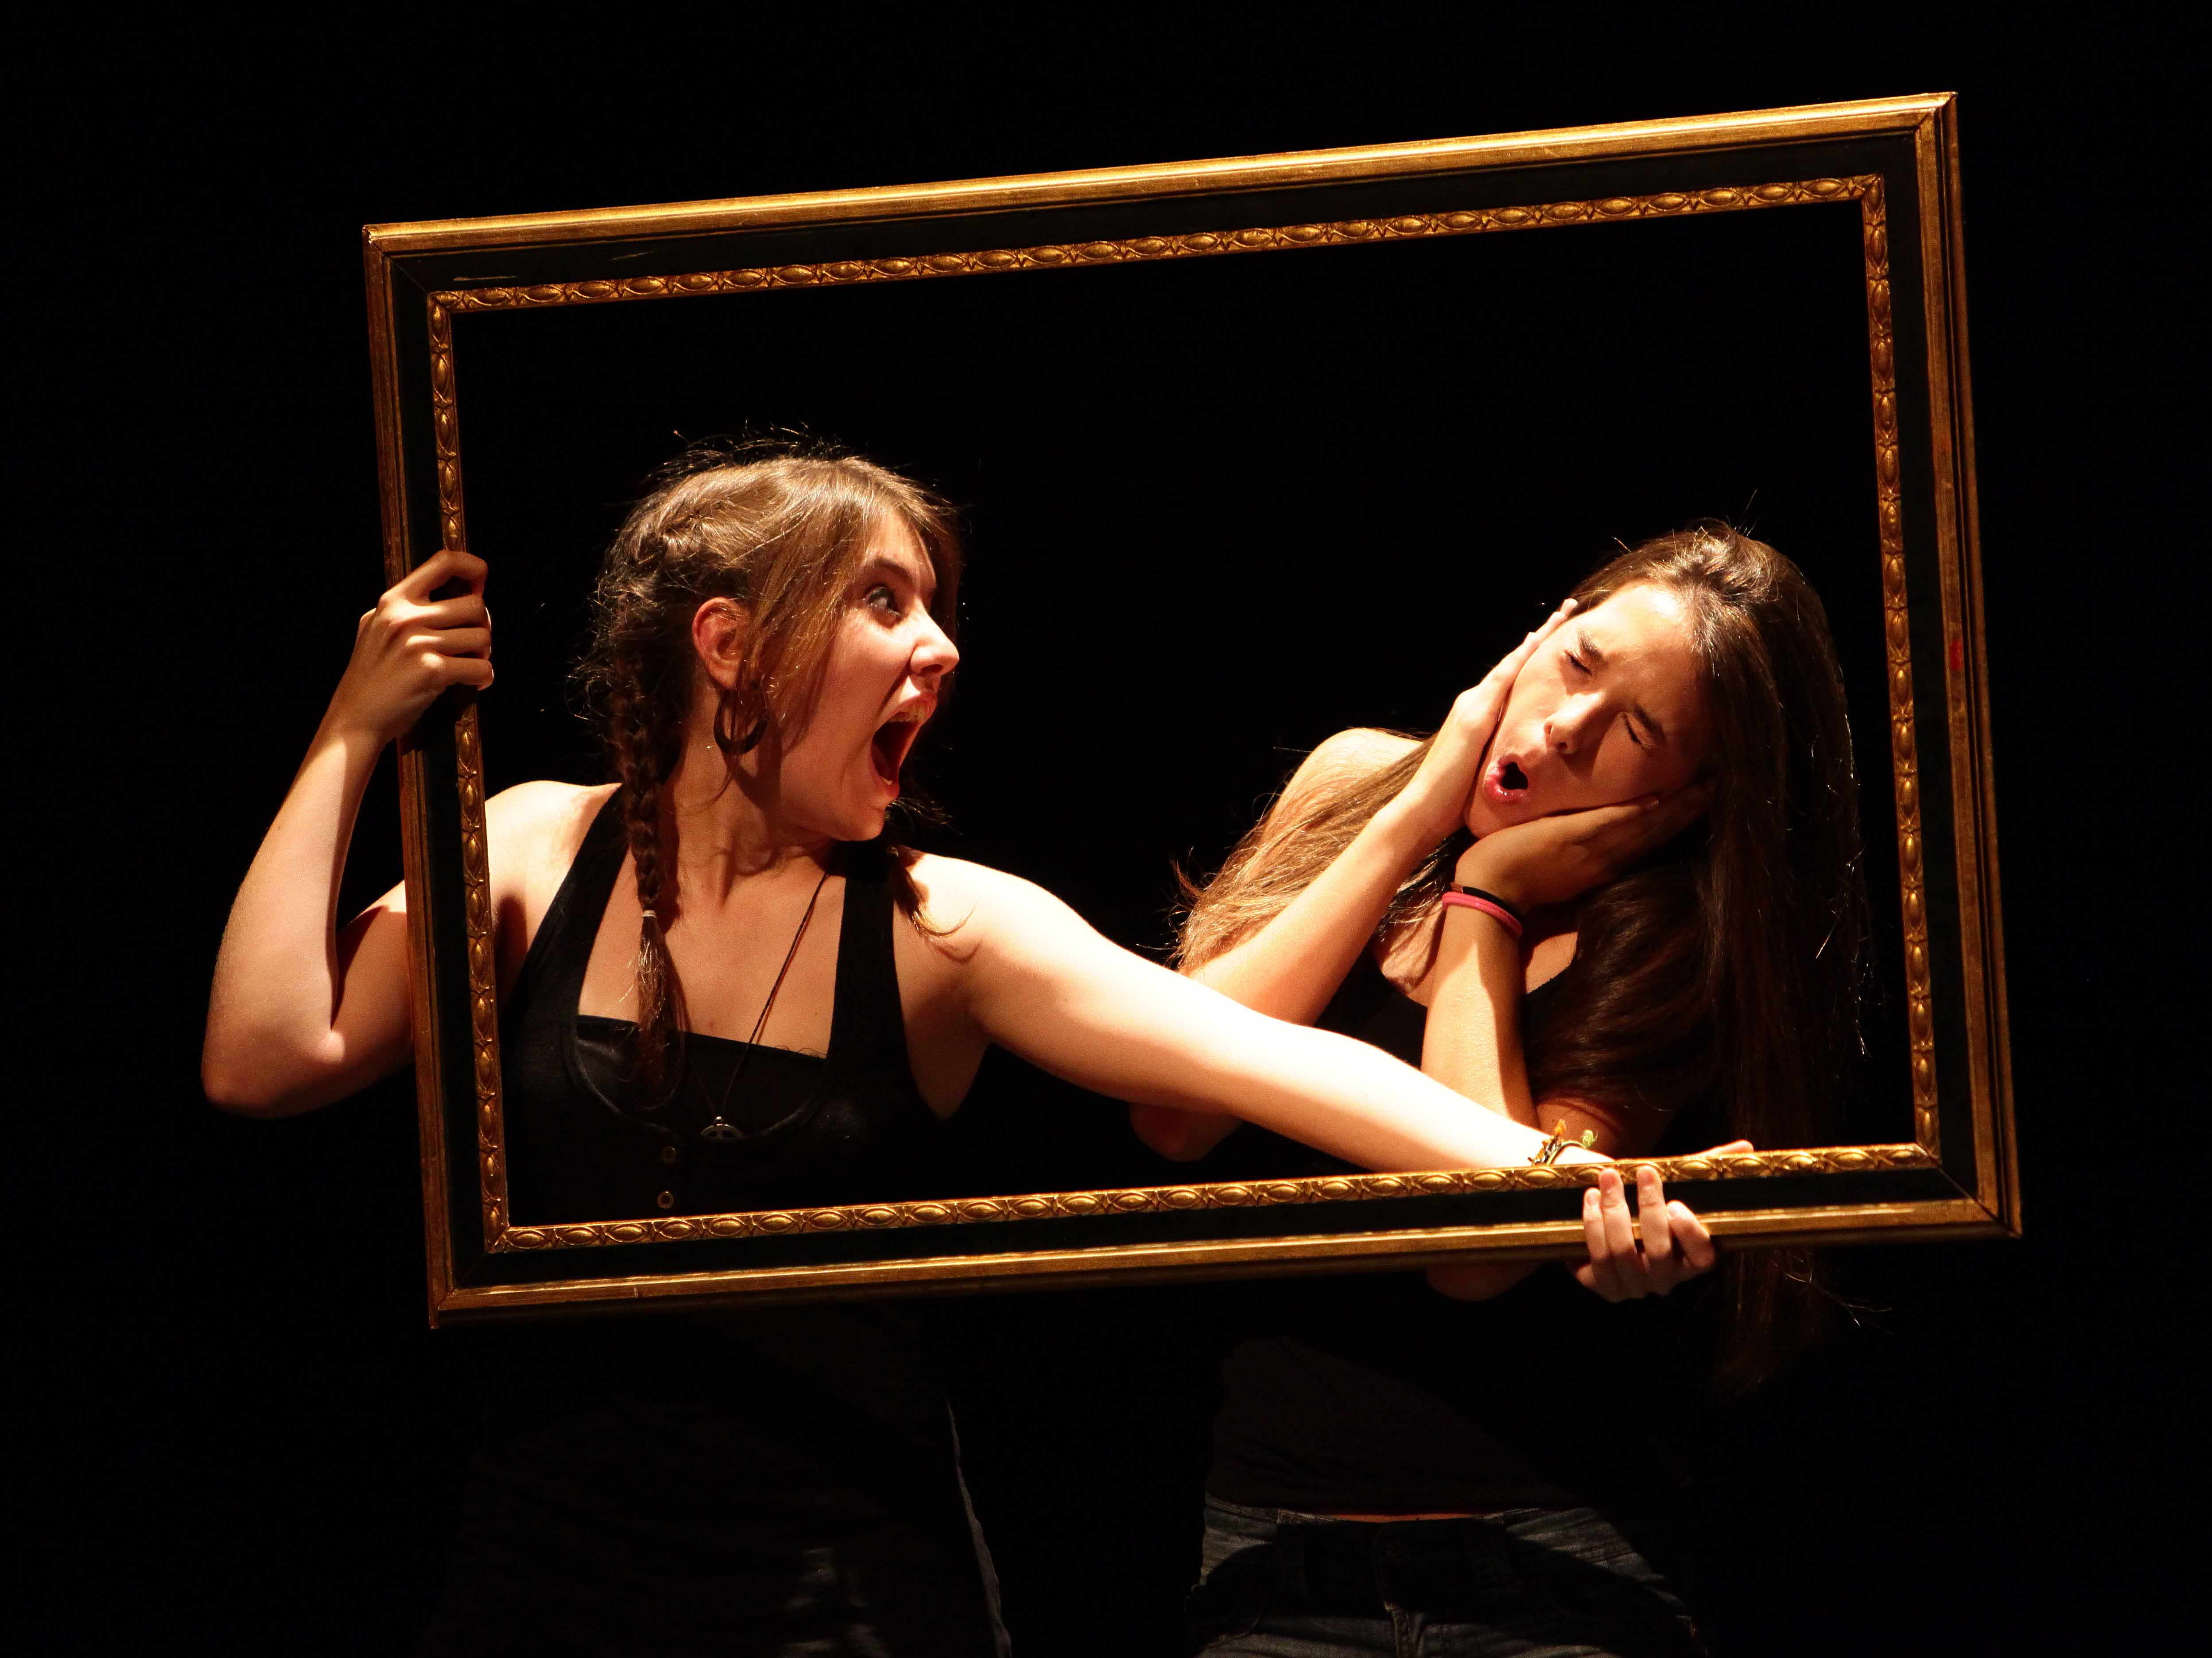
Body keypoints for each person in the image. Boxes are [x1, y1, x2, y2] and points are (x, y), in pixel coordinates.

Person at [200, 439, 1610, 1657]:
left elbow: (1278, 1066)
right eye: (884, 600)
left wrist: (1570, 1178)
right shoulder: (529, 849)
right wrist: (355, 725)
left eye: (934, 605)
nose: (940, 648)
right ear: (730, 644)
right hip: (544, 1572)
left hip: (852, 1594)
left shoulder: (946, 928)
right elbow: (265, 1056)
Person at [1133, 523, 1870, 1656]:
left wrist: (1486, 897)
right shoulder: (1350, 783)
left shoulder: (1671, 933)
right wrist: (1412, 816)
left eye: (1637, 731)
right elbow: (1176, 1109)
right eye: (1576, 664)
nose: (1567, 727)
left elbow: (1474, 1252)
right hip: (1273, 1557)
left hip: (1550, 1569)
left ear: (1687, 794)